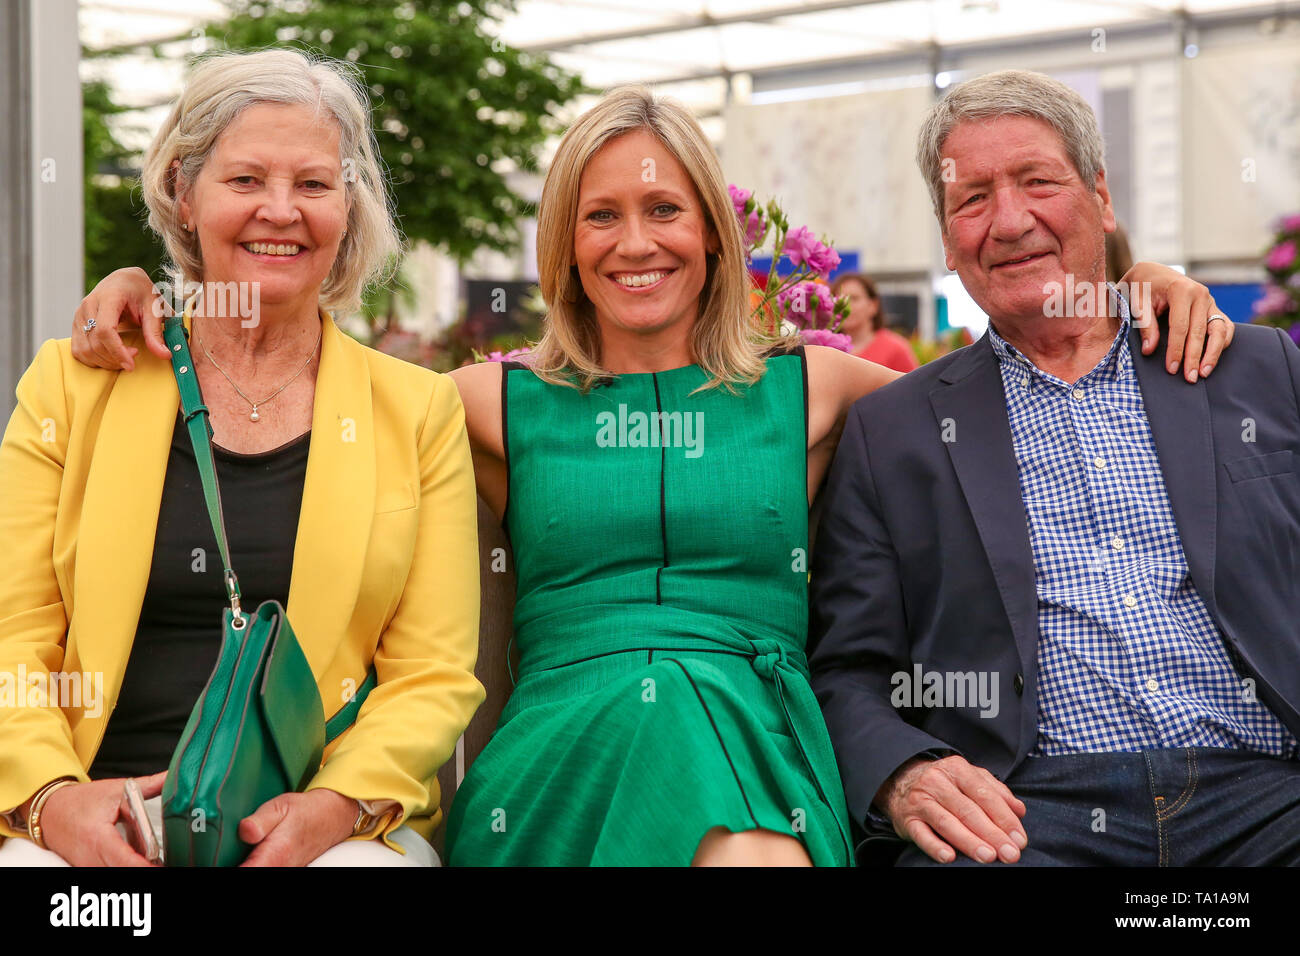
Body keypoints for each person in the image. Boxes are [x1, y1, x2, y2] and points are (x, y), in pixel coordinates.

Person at [70, 83, 1228, 867]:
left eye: (665, 209)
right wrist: (157, 290)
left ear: (713, 234)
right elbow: (290, 361)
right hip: (565, 752)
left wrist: (1134, 282)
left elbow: (1007, 374)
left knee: (708, 731)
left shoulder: (815, 389)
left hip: (762, 723)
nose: (637, 242)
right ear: (564, 243)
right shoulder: (483, 400)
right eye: (602, 215)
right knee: (684, 735)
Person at [0, 49, 483, 867]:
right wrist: (50, 800)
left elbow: (431, 675)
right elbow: (14, 636)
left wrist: (333, 809)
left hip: (314, 824)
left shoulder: (416, 410)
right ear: (184, 194)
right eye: (246, 181)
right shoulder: (76, 387)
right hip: (100, 812)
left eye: (315, 184)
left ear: (349, 206)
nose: (281, 211)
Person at [809, 69, 1300, 867]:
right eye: (971, 199)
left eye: (1038, 181)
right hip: (1026, 815)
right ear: (946, 237)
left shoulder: (1250, 368)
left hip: (1268, 791)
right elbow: (847, 671)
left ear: (1101, 199)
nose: (1008, 221)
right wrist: (903, 775)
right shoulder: (891, 431)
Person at [830, 272, 919, 373]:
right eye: (838, 299)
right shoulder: (826, 348)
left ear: (873, 305)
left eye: (854, 298)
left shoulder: (896, 349)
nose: (844, 305)